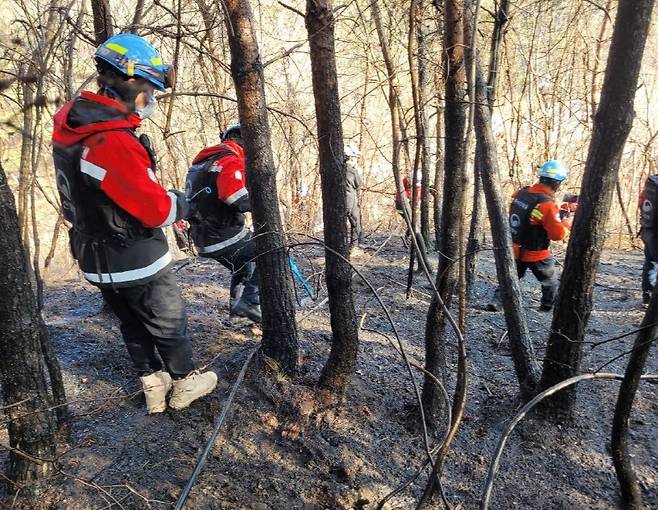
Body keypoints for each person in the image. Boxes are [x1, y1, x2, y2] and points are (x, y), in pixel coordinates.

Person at [52, 33, 217, 414]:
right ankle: (185, 380)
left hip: (93, 256)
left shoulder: (72, 126)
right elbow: (155, 210)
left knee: (130, 321)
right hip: (134, 255)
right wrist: (181, 203)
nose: (152, 101)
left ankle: (152, 384)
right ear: (128, 82)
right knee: (167, 319)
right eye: (150, 90)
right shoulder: (112, 142)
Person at [185, 124, 261, 323]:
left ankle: (237, 314)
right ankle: (250, 302)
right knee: (270, 250)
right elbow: (237, 198)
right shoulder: (231, 160)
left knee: (242, 266)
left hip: (203, 236)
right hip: (223, 234)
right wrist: (264, 205)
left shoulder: (200, 164)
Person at [487, 160, 572, 312]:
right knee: (550, 281)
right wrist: (566, 223)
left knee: (510, 277)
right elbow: (557, 235)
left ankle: (497, 302)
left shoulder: (521, 193)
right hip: (536, 253)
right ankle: (546, 308)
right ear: (557, 183)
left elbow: (527, 214)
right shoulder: (547, 205)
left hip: (514, 248)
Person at [638, 175, 658, 306]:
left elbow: (641, 203)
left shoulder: (652, 183)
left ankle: (647, 294)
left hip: (647, 229)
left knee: (650, 261)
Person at [344, 144, 363, 248]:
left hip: (339, 202)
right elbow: (358, 184)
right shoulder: (352, 171)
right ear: (351, 158)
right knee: (356, 224)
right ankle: (354, 247)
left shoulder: (337, 168)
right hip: (350, 202)